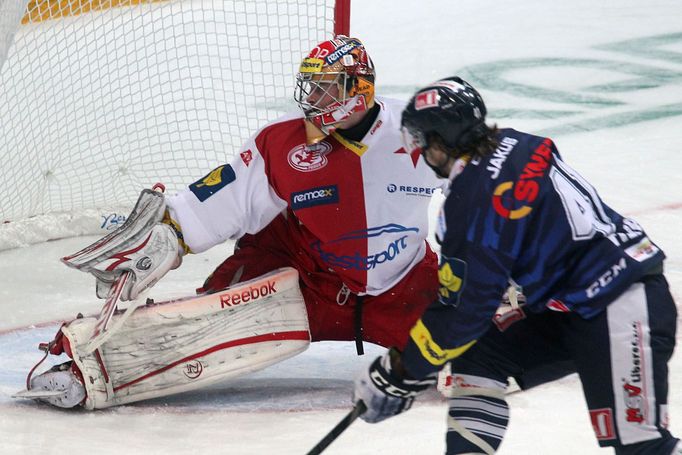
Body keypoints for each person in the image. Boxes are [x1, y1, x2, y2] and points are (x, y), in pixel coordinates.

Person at [25, 36, 446, 409]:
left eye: (325, 89)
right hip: (307, 278)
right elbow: (228, 198)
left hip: (404, 287)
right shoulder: (283, 143)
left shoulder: (422, 130)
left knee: (487, 346)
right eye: (311, 89)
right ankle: (89, 369)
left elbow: (487, 192)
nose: (313, 100)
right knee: (205, 322)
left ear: (358, 88)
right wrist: (172, 234)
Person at [353, 76, 680, 454]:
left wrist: (401, 370)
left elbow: (463, 312)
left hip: (623, 304)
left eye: (422, 141)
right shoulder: (515, 142)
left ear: (440, 142)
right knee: (479, 352)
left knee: (645, 449)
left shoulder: (471, 203)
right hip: (574, 305)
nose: (421, 153)